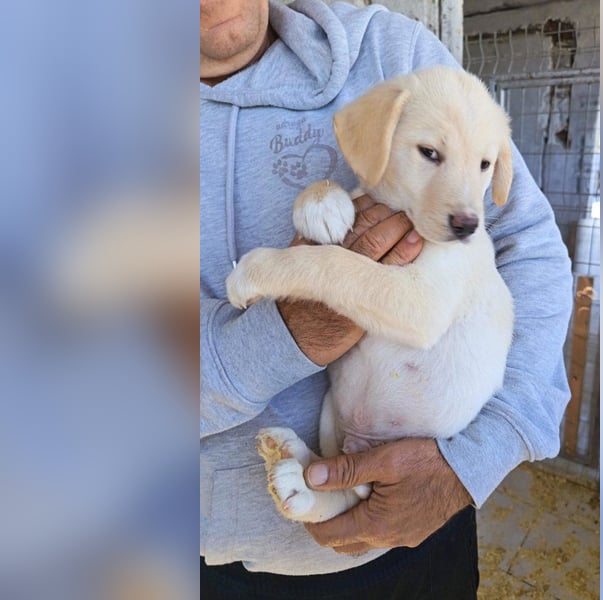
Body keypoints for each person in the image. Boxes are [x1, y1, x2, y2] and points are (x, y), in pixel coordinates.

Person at [200, 0, 573, 597]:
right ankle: (326, 486)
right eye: (431, 155)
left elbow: (527, 246)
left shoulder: (395, 54)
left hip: (419, 535)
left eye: (483, 166)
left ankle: (330, 483)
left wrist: (473, 463)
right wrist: (283, 330)